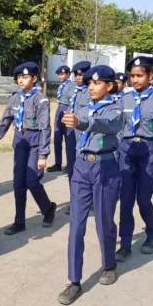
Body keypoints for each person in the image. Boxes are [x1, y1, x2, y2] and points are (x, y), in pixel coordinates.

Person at [57, 65, 124, 305]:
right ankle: (74, 281)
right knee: (76, 224)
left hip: (105, 168)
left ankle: (108, 265)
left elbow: (106, 126)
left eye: (97, 83)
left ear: (109, 85)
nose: (92, 87)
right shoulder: (82, 104)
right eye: (89, 84)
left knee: (104, 222)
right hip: (82, 167)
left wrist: (81, 122)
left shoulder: (116, 108)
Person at [0, 62, 57, 235]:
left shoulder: (40, 99)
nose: (21, 80)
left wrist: (43, 154)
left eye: (25, 77)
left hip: (34, 140)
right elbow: (5, 120)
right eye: (19, 77)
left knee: (32, 181)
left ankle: (48, 208)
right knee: (18, 183)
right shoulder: (15, 97)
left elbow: (45, 128)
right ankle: (19, 221)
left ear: (34, 79)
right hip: (19, 140)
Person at [114, 56, 153, 262]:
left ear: (151, 77)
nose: (135, 79)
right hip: (127, 150)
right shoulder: (124, 98)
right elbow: (118, 128)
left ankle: (152, 233)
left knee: (143, 199)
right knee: (126, 200)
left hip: (149, 150)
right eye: (132, 76)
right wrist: (115, 153)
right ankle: (126, 243)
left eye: (140, 75)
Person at [63, 61, 92, 215]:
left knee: (86, 168)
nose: (78, 77)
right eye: (76, 74)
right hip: (71, 133)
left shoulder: (92, 91)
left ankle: (88, 200)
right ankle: (75, 200)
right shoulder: (76, 90)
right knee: (72, 167)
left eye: (81, 74)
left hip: (84, 133)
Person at [47, 65, 76, 173]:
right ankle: (57, 163)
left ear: (68, 74)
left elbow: (71, 99)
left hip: (68, 109)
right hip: (60, 108)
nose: (60, 76)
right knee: (57, 137)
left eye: (62, 74)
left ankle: (70, 163)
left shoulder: (72, 85)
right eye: (59, 74)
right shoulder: (61, 86)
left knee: (69, 138)